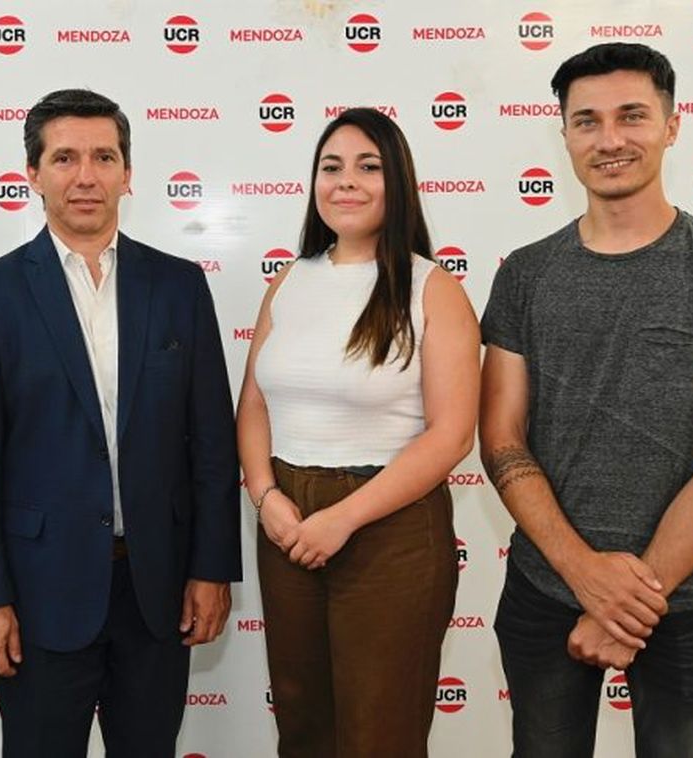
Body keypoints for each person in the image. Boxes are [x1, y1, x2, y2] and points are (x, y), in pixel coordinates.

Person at [480, 43, 693, 758]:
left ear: (673, 125)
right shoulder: (525, 276)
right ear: (562, 134)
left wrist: (627, 602)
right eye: (586, 121)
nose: (611, 139)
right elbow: (501, 438)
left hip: (687, 602)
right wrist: (584, 574)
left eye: (632, 116)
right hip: (545, 590)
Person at [0, 88, 241, 757]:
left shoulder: (179, 287)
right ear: (33, 174)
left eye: (104, 157)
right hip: (38, 594)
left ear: (127, 173)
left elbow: (213, 445)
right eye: (65, 157)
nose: (85, 176)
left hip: (156, 591)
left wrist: (211, 568)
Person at [236, 107, 480, 758]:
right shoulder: (289, 281)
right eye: (331, 167)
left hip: (390, 528)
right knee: (302, 724)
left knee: (381, 735)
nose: (346, 182)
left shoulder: (433, 288)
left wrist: (342, 520)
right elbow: (254, 403)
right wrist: (267, 498)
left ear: (396, 181)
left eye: (368, 167)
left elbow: (452, 434)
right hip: (286, 521)